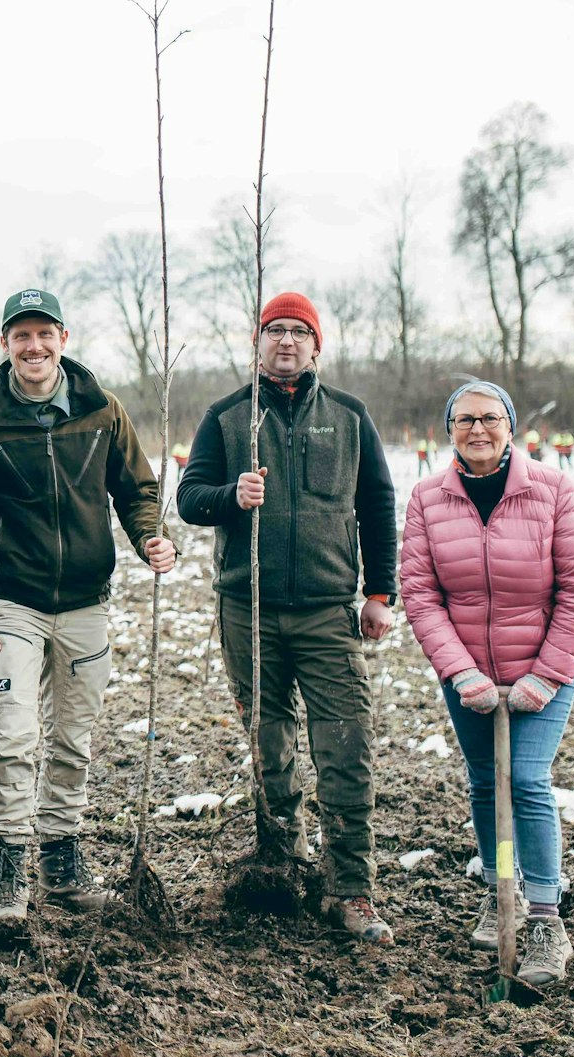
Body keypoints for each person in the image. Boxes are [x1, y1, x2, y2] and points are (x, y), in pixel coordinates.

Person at [0, 289, 174, 935]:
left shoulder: (103, 413)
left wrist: (149, 534)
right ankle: (7, 878)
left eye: (45, 333)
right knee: (13, 738)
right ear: (5, 344)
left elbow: (137, 488)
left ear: (64, 338)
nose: (34, 346)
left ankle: (63, 867)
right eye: (21, 335)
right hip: (12, 605)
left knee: (73, 740)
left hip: (87, 607)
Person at [177, 292, 400, 944]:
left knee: (345, 747)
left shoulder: (351, 417)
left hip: (330, 613)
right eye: (274, 330)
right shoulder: (227, 417)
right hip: (249, 613)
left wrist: (380, 592)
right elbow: (190, 499)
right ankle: (282, 867)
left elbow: (379, 506)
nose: (285, 341)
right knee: (270, 749)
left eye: (298, 332)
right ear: (257, 340)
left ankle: (351, 888)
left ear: (316, 345)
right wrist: (231, 495)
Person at [400, 380, 574, 984]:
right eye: (464, 420)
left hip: (543, 671)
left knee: (527, 779)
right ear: (450, 430)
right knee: (486, 781)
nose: (478, 430)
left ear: (511, 427)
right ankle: (498, 887)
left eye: (490, 419)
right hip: (468, 675)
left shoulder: (555, 491)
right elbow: (420, 593)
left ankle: (544, 918)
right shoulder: (427, 498)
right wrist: (461, 672)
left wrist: (545, 677)